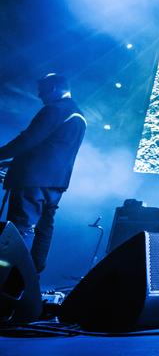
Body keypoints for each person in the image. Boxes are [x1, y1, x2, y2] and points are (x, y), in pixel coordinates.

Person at [0, 73, 86, 274]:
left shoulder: (55, 109)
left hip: (32, 182)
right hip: (55, 183)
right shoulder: (79, 115)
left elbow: (28, 140)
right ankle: (31, 278)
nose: (39, 96)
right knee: (44, 230)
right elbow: (51, 149)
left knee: (19, 229)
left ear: (54, 88)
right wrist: (11, 162)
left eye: (42, 91)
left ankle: (7, 278)